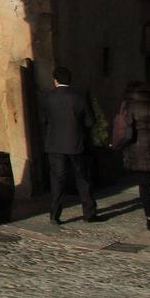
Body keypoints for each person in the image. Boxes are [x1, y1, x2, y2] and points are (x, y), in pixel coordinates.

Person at [42, 67, 99, 224]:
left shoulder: (48, 98)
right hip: (76, 143)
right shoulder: (79, 97)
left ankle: (54, 214)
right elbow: (90, 121)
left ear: (55, 81)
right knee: (82, 178)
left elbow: (45, 120)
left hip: (54, 144)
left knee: (57, 179)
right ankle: (89, 213)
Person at [119, 81, 150, 230]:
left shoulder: (129, 107)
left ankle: (149, 218)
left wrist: (121, 145)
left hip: (137, 149)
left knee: (143, 185)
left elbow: (128, 133)